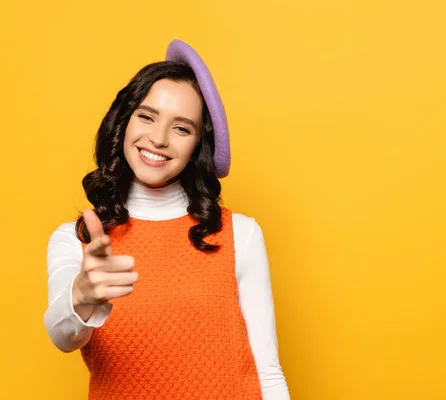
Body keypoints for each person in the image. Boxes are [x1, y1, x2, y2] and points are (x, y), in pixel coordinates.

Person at [43, 39, 290, 399]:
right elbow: (62, 337)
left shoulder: (241, 234)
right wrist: (81, 295)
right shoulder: (73, 239)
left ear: (196, 148)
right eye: (147, 116)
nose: (158, 139)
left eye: (182, 128)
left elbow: (267, 371)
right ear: (123, 122)